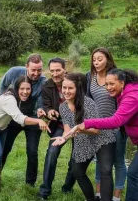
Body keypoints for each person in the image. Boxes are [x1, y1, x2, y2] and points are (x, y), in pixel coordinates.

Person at [0, 76, 50, 195]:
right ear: (16, 88)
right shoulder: (9, 98)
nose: (25, 92)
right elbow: (18, 118)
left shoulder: (18, 98)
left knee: (0, 153)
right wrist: (38, 121)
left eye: (28, 89)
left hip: (2, 127)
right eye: (22, 89)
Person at [74, 69, 138, 201]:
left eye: (112, 84)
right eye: (106, 84)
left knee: (133, 174)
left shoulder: (132, 96)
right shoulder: (126, 93)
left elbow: (116, 121)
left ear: (122, 82)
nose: (108, 88)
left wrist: (87, 123)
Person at [51, 73, 107, 201]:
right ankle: (89, 198)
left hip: (100, 140)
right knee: (77, 170)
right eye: (64, 88)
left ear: (78, 88)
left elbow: (96, 130)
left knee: (102, 170)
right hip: (81, 140)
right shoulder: (63, 106)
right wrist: (63, 138)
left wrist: (80, 130)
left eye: (70, 88)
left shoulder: (88, 103)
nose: (66, 91)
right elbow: (67, 130)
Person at [0, 53, 46, 186]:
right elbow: (3, 86)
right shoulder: (14, 72)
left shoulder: (44, 82)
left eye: (39, 70)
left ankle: (30, 183)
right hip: (14, 116)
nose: (36, 73)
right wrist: (4, 105)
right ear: (26, 67)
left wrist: (40, 110)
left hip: (32, 119)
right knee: (5, 147)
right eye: (33, 70)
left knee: (32, 151)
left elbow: (41, 103)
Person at [86, 48, 127, 201]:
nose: (96, 62)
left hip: (117, 126)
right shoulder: (90, 77)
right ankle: (99, 193)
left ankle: (116, 195)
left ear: (108, 60)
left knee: (119, 161)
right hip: (98, 126)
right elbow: (87, 100)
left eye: (100, 59)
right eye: (94, 59)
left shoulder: (116, 76)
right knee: (100, 161)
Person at [37, 58, 76, 200]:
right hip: (59, 125)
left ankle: (67, 187)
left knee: (76, 158)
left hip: (78, 124)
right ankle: (44, 191)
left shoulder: (76, 81)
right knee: (52, 152)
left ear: (65, 69)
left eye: (58, 70)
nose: (55, 74)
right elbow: (46, 105)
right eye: (52, 71)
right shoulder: (46, 86)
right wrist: (50, 112)